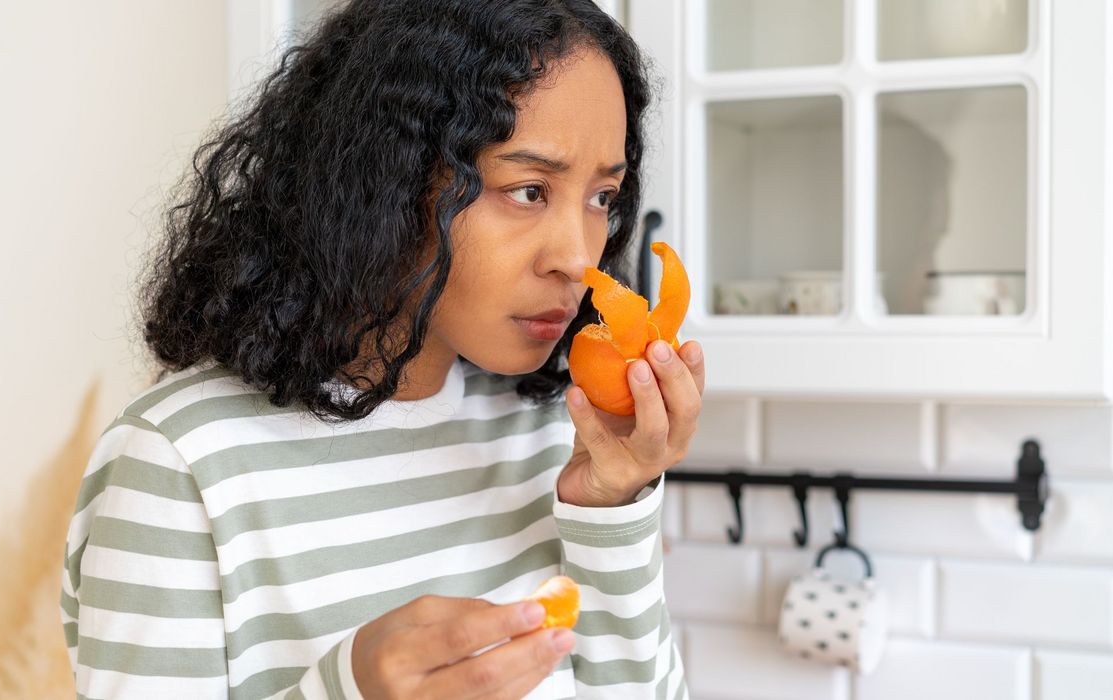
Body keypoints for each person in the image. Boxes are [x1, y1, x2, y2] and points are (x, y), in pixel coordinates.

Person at [60, 0, 703, 697]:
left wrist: (609, 509)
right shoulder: (182, 460)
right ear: (387, 180)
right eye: (527, 190)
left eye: (602, 196)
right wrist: (347, 688)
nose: (580, 259)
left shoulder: (552, 431)